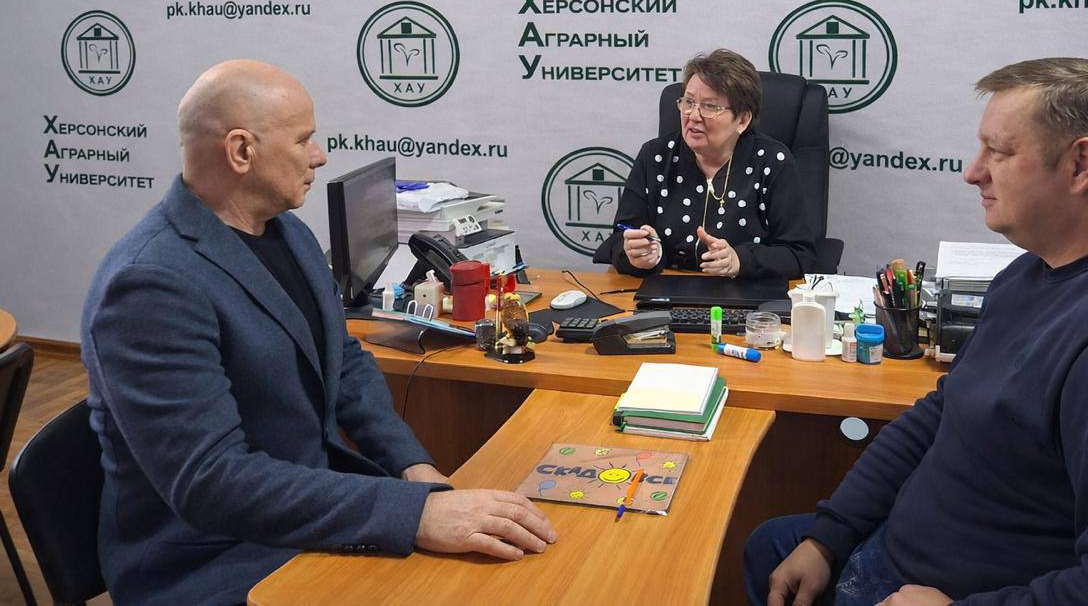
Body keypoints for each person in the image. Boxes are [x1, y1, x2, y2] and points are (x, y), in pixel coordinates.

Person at [745, 58, 1088, 605]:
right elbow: (942, 413)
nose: (973, 172)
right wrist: (830, 534)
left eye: (998, 151)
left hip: (957, 592)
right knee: (771, 549)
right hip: (904, 552)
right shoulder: (1035, 269)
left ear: (1081, 165)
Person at [81, 60, 556, 605]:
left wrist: (413, 467)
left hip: (302, 514)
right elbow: (210, 481)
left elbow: (344, 362)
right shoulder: (149, 284)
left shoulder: (286, 232)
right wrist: (417, 514)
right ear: (241, 151)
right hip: (214, 559)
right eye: (302, 140)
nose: (320, 155)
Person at [594, 49, 817, 279]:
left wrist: (740, 261)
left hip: (745, 294)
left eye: (710, 106)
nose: (693, 115)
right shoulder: (656, 156)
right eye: (689, 102)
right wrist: (637, 254)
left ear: (742, 119)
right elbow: (621, 238)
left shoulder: (771, 161)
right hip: (667, 291)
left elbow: (798, 254)